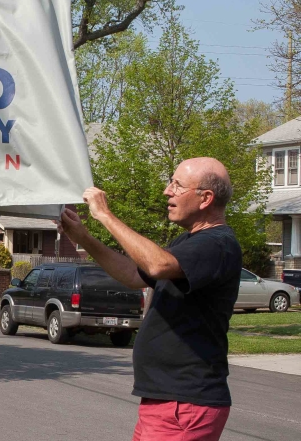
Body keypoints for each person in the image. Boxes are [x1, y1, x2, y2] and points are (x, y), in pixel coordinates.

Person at [59, 157, 241, 441]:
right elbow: (134, 273)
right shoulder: (188, 242)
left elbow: (157, 265)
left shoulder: (217, 244)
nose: (167, 191)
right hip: (166, 400)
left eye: (177, 185)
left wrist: (105, 215)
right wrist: (83, 236)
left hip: (185, 402)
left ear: (205, 198)